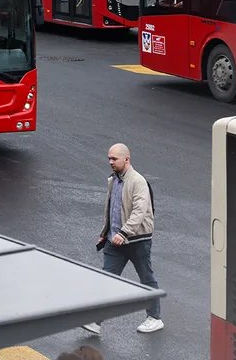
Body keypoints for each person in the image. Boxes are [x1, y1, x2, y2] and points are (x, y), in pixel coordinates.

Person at [84, 142, 162, 336]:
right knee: (106, 280)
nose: (110, 162)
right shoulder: (114, 180)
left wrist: (124, 233)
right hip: (114, 241)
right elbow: (113, 208)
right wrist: (106, 232)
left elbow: (140, 211)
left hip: (137, 241)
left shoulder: (138, 181)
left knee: (146, 278)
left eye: (114, 158)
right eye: (109, 158)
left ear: (126, 159)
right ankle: (95, 321)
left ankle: (155, 318)